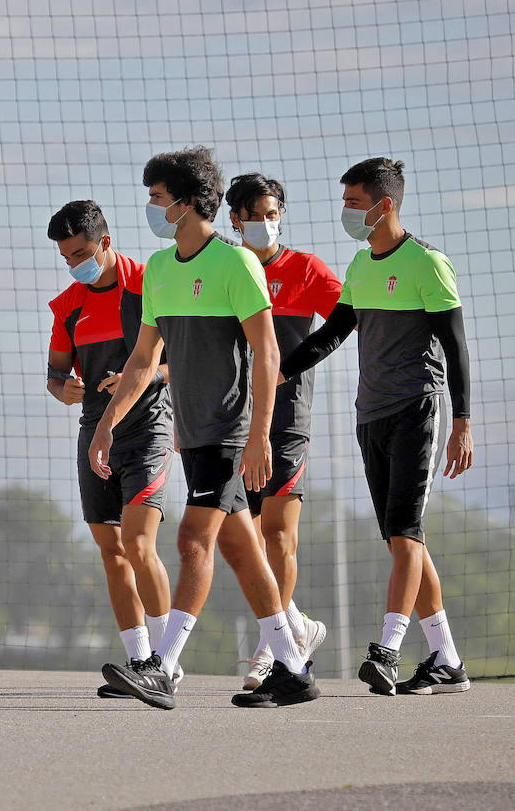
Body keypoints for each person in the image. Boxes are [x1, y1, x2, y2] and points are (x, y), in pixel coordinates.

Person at [93, 146, 321, 709]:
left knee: (192, 539)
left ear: (187, 203)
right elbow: (145, 360)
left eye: (157, 197)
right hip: (190, 432)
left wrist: (261, 433)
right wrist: (105, 426)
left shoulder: (236, 263)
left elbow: (267, 354)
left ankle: (164, 667)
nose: (150, 206)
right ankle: (293, 667)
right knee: (243, 551)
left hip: (229, 428)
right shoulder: (161, 270)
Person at [281, 157, 473, 696]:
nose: (345, 211)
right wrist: (277, 371)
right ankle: (447, 658)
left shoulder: (428, 263)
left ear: (384, 205)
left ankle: (386, 650)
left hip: (419, 408)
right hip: (372, 415)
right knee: (399, 536)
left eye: (353, 203)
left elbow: (456, 348)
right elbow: (332, 334)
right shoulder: (362, 266)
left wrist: (462, 422)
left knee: (406, 530)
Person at [45, 200, 174, 699]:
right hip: (94, 430)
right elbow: (55, 375)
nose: (75, 263)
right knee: (112, 551)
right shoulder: (67, 305)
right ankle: (139, 659)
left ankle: (166, 661)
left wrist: (146, 378)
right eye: (65, 257)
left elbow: (183, 362)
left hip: (148, 430)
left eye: (80, 251)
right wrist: (64, 389)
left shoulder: (150, 284)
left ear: (106, 241)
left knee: (141, 545)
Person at [225, 174, 336, 689]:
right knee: (240, 539)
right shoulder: (225, 267)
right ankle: (296, 628)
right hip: (231, 423)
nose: (266, 224)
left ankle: (272, 651)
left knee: (277, 535)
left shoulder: (306, 268)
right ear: (234, 220)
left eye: (274, 214)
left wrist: (296, 363)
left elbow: (350, 315)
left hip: (288, 422)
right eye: (256, 215)